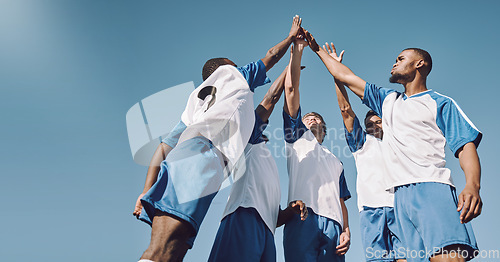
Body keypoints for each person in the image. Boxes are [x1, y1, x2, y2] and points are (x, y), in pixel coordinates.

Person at [131, 15, 305, 262]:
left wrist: (145, 190)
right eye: (235, 64)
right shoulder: (232, 75)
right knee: (166, 246)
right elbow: (271, 61)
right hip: (203, 155)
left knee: (174, 246)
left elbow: (163, 148)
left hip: (192, 156)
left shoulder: (197, 102)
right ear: (226, 66)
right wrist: (291, 39)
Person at [304, 30, 482, 261]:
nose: (394, 63)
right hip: (400, 198)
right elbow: (344, 76)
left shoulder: (440, 103)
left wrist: (472, 185)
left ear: (420, 63)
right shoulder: (387, 100)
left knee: (447, 257)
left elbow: (465, 145)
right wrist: (316, 49)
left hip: (431, 185)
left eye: (400, 59)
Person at [208, 62, 308, 262]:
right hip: (243, 215)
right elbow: (270, 98)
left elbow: (274, 215)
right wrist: (290, 68)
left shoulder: (266, 157)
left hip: (267, 230)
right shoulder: (247, 136)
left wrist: (290, 211)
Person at [325, 43, 406, 262]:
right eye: (369, 124)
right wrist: (336, 72)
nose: (373, 127)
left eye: (377, 122)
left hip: (401, 207)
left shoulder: (399, 141)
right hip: (372, 209)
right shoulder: (362, 143)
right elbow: (346, 111)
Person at [282, 33, 351, 262]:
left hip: (333, 223)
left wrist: (346, 229)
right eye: (307, 117)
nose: (311, 118)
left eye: (316, 117)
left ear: (324, 128)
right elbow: (291, 93)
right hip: (302, 216)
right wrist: (298, 51)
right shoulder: (297, 139)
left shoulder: (336, 161)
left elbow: (341, 199)